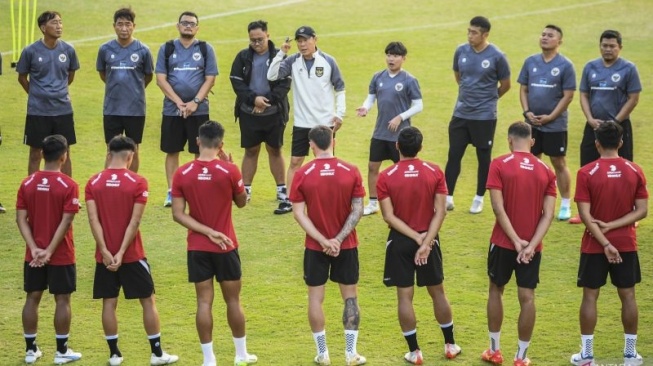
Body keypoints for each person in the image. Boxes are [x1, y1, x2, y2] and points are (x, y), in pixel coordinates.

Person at [85, 136, 179, 366]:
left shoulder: (93, 182)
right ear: (131, 155)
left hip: (104, 257)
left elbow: (93, 220)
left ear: (109, 153)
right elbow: (134, 222)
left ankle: (114, 355)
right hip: (132, 255)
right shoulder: (138, 182)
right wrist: (121, 251)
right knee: (148, 301)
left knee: (109, 302)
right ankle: (157, 354)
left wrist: (106, 251)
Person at [171, 121, 257, 366]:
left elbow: (178, 214)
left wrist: (206, 232)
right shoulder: (230, 171)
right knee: (233, 301)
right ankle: (241, 355)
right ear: (220, 145)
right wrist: (232, 169)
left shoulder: (182, 173)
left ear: (198, 141)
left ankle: (209, 360)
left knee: (203, 302)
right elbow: (241, 203)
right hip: (226, 246)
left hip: (197, 248)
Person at [376, 127, 461, 364]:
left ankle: (415, 352)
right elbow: (441, 211)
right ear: (421, 147)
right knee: (438, 293)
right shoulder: (434, 171)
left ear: (397, 147)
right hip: (429, 238)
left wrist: (414, 238)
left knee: (405, 298)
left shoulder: (386, 175)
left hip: (401, 241)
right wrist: (425, 241)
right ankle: (450, 345)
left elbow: (389, 217)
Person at [570, 121, 647, 366]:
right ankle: (630, 354)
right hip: (626, 243)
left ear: (596, 144)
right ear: (621, 143)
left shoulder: (586, 172)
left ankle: (587, 354)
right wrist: (615, 228)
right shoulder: (635, 170)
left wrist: (604, 240)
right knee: (628, 296)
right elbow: (642, 211)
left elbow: (584, 215)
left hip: (594, 244)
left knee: (590, 296)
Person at [289, 125, 366, 366]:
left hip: (315, 247)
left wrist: (323, 241)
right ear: (333, 141)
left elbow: (299, 214)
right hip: (347, 245)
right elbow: (358, 210)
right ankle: (350, 354)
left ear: (312, 144)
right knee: (350, 298)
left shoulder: (303, 173)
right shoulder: (351, 171)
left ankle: (323, 354)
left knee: (315, 298)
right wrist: (339, 239)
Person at [483, 121, 556, 366]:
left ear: (509, 139)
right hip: (532, 248)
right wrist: (531, 245)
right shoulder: (546, 170)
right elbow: (548, 214)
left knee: (496, 289)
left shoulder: (499, 164)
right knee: (527, 297)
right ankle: (521, 356)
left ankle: (494, 351)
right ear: (532, 142)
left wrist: (515, 241)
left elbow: (497, 207)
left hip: (503, 242)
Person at [16, 135, 82, 364]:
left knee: (32, 297)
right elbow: (66, 222)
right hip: (61, 253)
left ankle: (30, 350)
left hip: (32, 254)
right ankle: (62, 351)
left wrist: (35, 248)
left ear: (42, 155)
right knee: (62, 300)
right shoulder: (69, 185)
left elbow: (21, 219)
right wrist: (50, 251)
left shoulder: (27, 183)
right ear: (64, 156)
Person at [267, 25, 346, 214]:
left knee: (326, 162)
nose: (302, 44)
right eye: (299, 41)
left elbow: (340, 87)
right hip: (302, 123)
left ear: (314, 39)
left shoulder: (328, 61)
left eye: (305, 40)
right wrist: (281, 54)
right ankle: (290, 200)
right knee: (295, 161)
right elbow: (272, 75)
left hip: (324, 123)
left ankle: (329, 199)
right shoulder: (293, 61)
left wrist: (340, 114)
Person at [572, 30, 642, 225]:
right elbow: (584, 94)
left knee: (625, 169)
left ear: (620, 47)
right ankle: (585, 212)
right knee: (586, 167)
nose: (608, 49)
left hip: (618, 127)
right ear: (600, 46)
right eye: (605, 45)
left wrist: (616, 121)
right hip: (593, 125)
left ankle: (631, 213)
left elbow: (633, 98)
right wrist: (589, 118)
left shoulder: (628, 68)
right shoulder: (590, 67)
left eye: (612, 46)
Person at [444, 16, 511, 214]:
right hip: (461, 114)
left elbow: (506, 85)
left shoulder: (497, 56)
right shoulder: (461, 51)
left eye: (474, 32)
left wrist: (489, 100)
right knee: (454, 154)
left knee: (483, 157)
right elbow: (459, 76)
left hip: (484, 116)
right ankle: (448, 196)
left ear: (485, 34)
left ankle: (479, 197)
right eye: (469, 31)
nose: (470, 35)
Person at [156, 11, 218, 207]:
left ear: (197, 28)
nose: (188, 26)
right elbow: (160, 79)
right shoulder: (166, 48)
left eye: (192, 23)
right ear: (178, 26)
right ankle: (172, 192)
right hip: (172, 109)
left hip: (198, 110)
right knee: (172, 150)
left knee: (199, 151)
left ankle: (196, 190)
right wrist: (178, 102)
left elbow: (210, 78)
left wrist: (195, 102)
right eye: (185, 23)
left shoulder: (206, 48)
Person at [357, 42, 423, 216]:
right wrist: (365, 108)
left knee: (402, 170)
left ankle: (406, 202)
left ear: (403, 59)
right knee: (372, 166)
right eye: (389, 55)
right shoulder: (378, 77)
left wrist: (400, 117)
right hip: (380, 132)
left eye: (395, 56)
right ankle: (373, 203)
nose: (391, 59)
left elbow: (419, 105)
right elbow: (371, 98)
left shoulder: (409, 80)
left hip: (400, 135)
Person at [229, 20, 291, 208]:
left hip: (274, 112)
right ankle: (245, 190)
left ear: (268, 35)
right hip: (249, 112)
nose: (256, 43)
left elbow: (285, 84)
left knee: (275, 149)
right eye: (253, 40)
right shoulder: (242, 56)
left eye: (260, 39)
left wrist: (266, 102)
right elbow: (236, 81)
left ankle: (282, 190)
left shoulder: (279, 56)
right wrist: (254, 99)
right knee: (251, 150)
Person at [518, 24, 576, 221]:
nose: (544, 37)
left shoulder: (565, 65)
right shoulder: (530, 61)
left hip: (555, 125)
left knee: (558, 162)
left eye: (550, 35)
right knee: (532, 162)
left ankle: (566, 204)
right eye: (542, 34)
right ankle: (534, 201)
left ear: (559, 41)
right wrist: (527, 112)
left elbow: (568, 96)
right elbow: (524, 89)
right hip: (532, 123)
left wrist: (551, 117)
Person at [16, 11, 80, 177]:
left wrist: (58, 91)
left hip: (63, 109)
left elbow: (70, 75)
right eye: (54, 23)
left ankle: (67, 191)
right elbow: (22, 78)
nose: (59, 26)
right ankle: (32, 190)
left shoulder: (68, 50)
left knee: (65, 152)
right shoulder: (30, 51)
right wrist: (36, 94)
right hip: (38, 111)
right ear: (43, 28)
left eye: (60, 22)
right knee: (35, 152)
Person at [96, 7, 154, 173]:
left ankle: (132, 184)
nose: (124, 28)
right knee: (110, 148)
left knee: (133, 149)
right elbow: (103, 74)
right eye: (120, 24)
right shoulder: (105, 49)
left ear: (134, 26)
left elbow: (148, 76)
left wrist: (133, 89)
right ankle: (108, 184)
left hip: (135, 108)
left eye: (127, 24)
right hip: (112, 107)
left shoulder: (143, 50)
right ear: (114, 26)